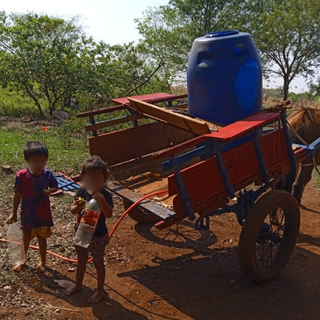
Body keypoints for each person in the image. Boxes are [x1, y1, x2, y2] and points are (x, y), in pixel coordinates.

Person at [66, 155, 113, 304]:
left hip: (98, 236)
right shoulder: (81, 192)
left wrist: (102, 200)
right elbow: (73, 210)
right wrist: (78, 205)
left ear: (104, 179)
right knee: (81, 260)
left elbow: (109, 214)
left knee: (98, 262)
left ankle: (100, 290)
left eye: (96, 179)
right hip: (81, 234)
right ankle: (78, 284)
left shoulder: (105, 195)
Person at [6, 141, 58, 272]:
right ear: (27, 161)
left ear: (46, 160)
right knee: (26, 237)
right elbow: (17, 195)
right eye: (34, 161)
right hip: (28, 213)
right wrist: (13, 213)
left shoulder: (47, 174)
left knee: (42, 238)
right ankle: (22, 261)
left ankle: (42, 261)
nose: (38, 164)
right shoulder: (22, 176)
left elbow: (55, 186)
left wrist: (50, 191)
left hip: (42, 212)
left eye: (42, 161)